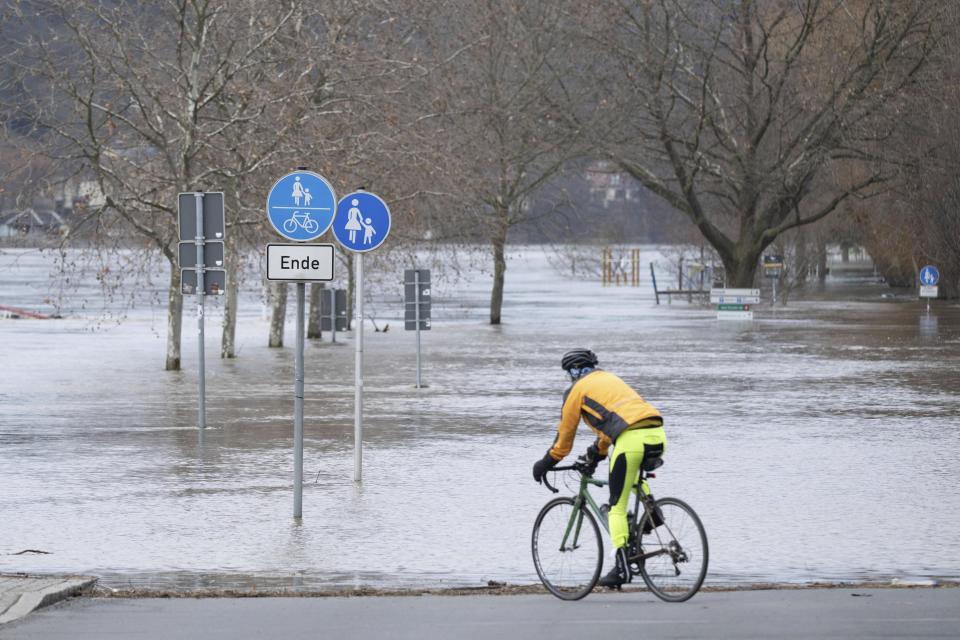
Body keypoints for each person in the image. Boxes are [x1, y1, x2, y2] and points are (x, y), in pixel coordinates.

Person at [532, 348, 667, 588]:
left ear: (573, 371)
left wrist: (546, 463)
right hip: (657, 434)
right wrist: (596, 455)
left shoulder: (576, 391)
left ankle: (622, 568)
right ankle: (651, 511)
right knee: (631, 480)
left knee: (616, 507)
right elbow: (614, 424)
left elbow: (564, 440)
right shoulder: (609, 378)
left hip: (630, 441)